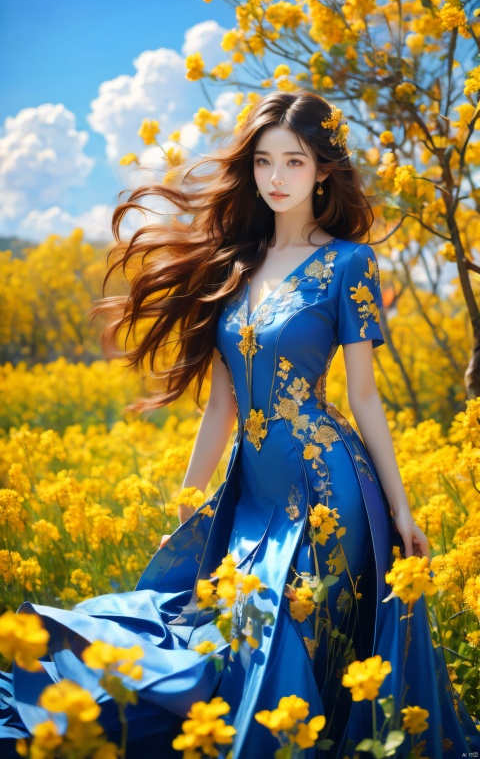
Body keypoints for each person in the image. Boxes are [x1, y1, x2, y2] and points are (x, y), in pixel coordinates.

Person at [0, 90, 479, 759]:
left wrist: (400, 509)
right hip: (250, 488)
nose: (276, 178)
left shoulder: (349, 263)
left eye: (294, 162)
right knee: (212, 625)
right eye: (263, 162)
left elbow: (364, 398)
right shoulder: (237, 264)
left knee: (275, 632)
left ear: (322, 171)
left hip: (324, 487)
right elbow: (222, 408)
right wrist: (188, 507)